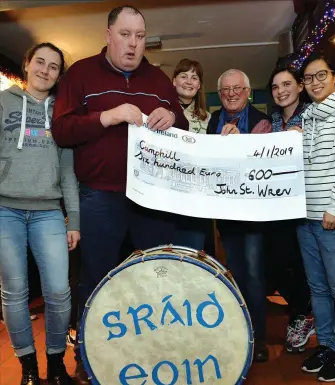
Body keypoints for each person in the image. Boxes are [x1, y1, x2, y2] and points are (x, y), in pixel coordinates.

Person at [51, 5, 188, 383]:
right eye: (125, 35)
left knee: (157, 276)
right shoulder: (79, 74)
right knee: (96, 277)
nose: (132, 43)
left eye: (140, 36)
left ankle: (156, 351)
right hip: (100, 196)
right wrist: (105, 117)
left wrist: (172, 116)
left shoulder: (159, 78)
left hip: (153, 198)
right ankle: (91, 355)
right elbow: (61, 130)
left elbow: (185, 122)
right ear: (109, 34)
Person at [0, 42, 80, 385]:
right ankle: (28, 368)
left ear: (59, 74)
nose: (46, 70)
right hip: (5, 210)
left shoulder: (62, 111)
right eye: (40, 62)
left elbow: (68, 171)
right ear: (27, 64)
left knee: (59, 291)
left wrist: (73, 220)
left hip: (48, 211)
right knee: (14, 291)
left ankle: (56, 362)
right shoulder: (3, 102)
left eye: (54, 66)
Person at [207, 69, 272, 362]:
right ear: (219, 95)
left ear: (248, 91)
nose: (231, 94)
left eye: (237, 89)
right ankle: (239, 331)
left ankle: (258, 337)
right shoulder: (212, 122)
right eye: (225, 91)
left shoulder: (263, 121)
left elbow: (264, 160)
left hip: (255, 215)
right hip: (226, 214)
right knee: (234, 272)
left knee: (256, 274)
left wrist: (240, 138)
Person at [296, 53, 335, 383]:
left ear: (334, 76)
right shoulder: (307, 117)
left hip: (330, 217)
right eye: (309, 79)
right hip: (305, 217)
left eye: (321, 75)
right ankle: (326, 345)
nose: (315, 83)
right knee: (319, 289)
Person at [267, 66, 314, 353]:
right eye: (275, 87)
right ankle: (303, 309)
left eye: (286, 84)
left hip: (309, 206)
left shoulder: (314, 116)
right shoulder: (271, 121)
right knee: (276, 266)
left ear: (299, 86)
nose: (281, 90)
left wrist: (303, 137)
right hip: (278, 208)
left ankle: (304, 316)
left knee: (307, 266)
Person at [171, 58, 211, 250]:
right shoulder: (161, 112)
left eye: (194, 77)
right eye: (183, 76)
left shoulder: (208, 118)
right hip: (165, 198)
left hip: (195, 199)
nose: (188, 81)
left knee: (192, 254)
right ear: (173, 81)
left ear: (199, 85)